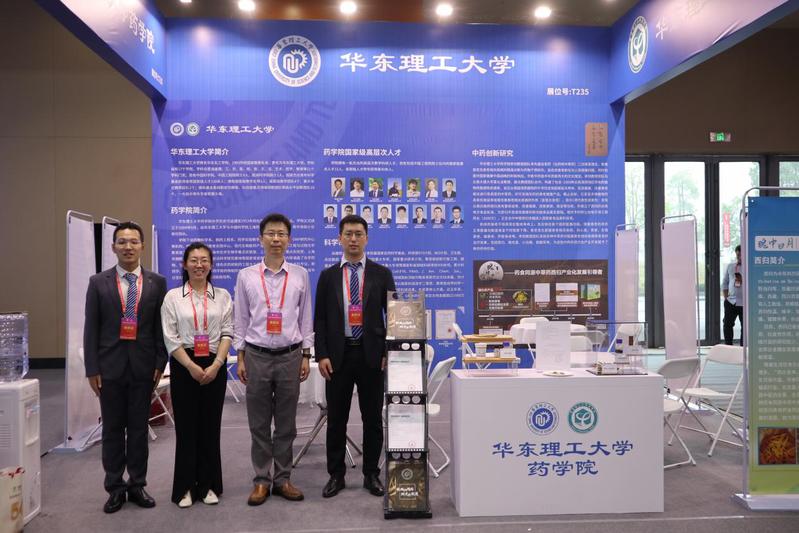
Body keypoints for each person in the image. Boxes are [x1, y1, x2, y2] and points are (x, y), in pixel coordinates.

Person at [83, 221, 168, 513]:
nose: (128, 247)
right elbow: (91, 329)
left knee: (139, 429)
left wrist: (160, 362)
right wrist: (92, 369)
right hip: (109, 368)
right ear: (113, 247)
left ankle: (137, 484)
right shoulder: (98, 282)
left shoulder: (157, 282)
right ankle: (115, 487)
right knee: (112, 429)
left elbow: (160, 328)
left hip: (144, 367)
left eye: (133, 242)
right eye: (122, 242)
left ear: (142, 246)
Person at [234, 214, 313, 505]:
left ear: (289, 240)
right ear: (261, 239)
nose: (276, 239)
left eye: (281, 234)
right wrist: (240, 357)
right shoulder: (246, 276)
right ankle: (261, 480)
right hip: (256, 355)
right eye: (270, 233)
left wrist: (306, 354)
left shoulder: (301, 275)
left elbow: (306, 317)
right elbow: (241, 319)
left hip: (290, 355)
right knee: (258, 423)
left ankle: (283, 479)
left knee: (286, 423)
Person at [314, 215, 396, 499]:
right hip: (338, 356)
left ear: (366, 238)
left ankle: (371, 473)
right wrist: (322, 354)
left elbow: (394, 316)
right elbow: (320, 319)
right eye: (348, 234)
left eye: (358, 234)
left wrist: (387, 351)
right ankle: (336, 475)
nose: (353, 239)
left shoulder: (381, 273)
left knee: (372, 418)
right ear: (339, 238)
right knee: (336, 419)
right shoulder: (328, 277)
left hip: (371, 355)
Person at [161, 242, 233, 508]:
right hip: (184, 364)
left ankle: (209, 485)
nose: (199, 265)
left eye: (204, 260)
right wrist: (191, 366)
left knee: (210, 427)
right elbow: (170, 337)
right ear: (184, 264)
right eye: (193, 260)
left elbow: (227, 332)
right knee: (186, 428)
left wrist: (217, 364)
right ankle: (185, 488)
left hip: (215, 364)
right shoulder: (173, 297)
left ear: (211, 265)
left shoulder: (222, 296)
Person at [722, 244, 744, 346]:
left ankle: (743, 348)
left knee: (745, 327)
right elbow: (725, 283)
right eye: (737, 255)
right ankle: (728, 346)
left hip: (745, 302)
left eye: (741, 255)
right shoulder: (731, 266)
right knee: (727, 325)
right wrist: (726, 298)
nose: (739, 257)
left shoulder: (751, 267)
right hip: (731, 301)